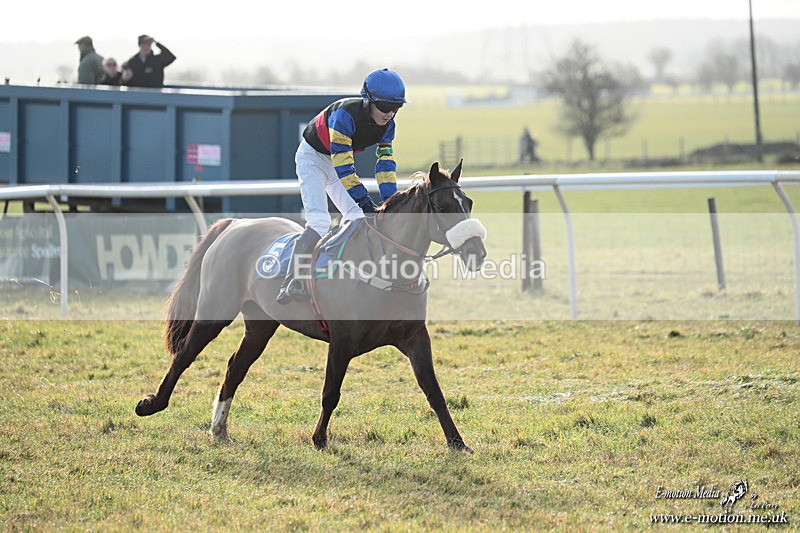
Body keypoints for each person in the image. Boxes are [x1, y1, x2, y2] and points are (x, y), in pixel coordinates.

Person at [276, 68, 406, 304]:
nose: (390, 114)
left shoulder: (389, 125)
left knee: (357, 218)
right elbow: (344, 167)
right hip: (313, 158)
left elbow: (385, 164)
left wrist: (391, 202)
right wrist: (366, 201)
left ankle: (348, 273)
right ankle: (292, 280)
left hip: (338, 162)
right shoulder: (344, 116)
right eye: (385, 107)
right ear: (368, 101)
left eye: (397, 107)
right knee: (319, 222)